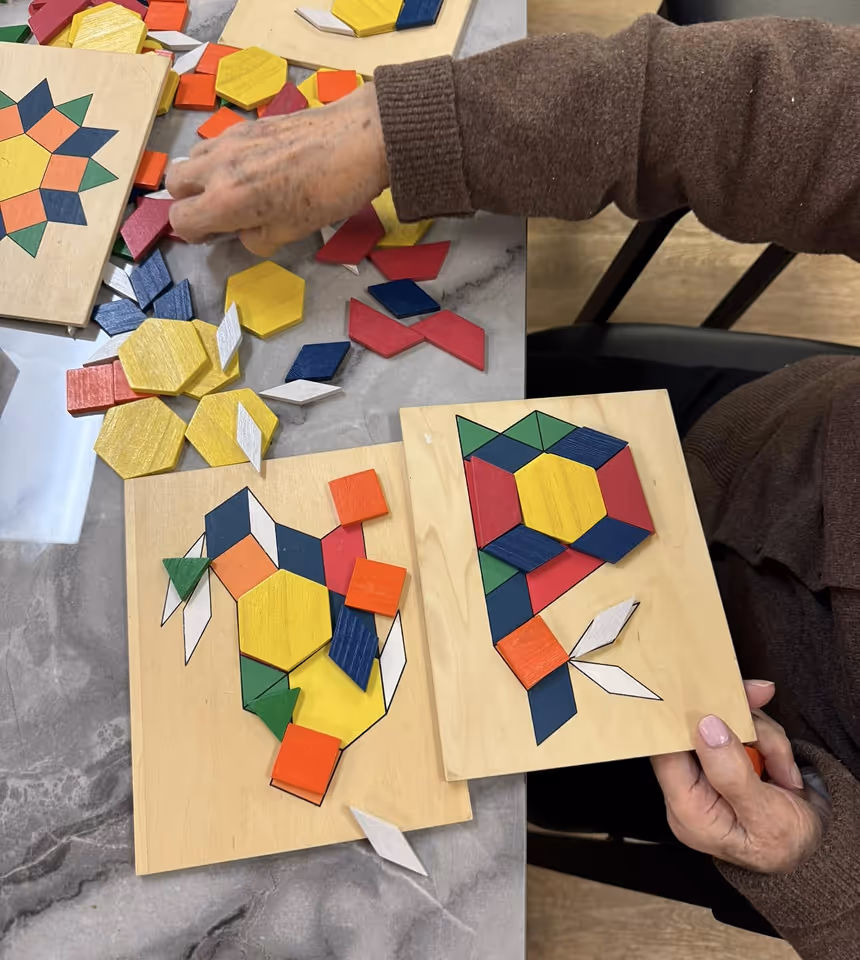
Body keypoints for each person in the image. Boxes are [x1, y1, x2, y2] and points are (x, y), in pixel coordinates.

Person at [168, 14, 860, 958]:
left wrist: (824, 875)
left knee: (502, 790)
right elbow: (777, 107)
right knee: (490, 421)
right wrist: (398, 128)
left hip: (755, 754)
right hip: (729, 442)